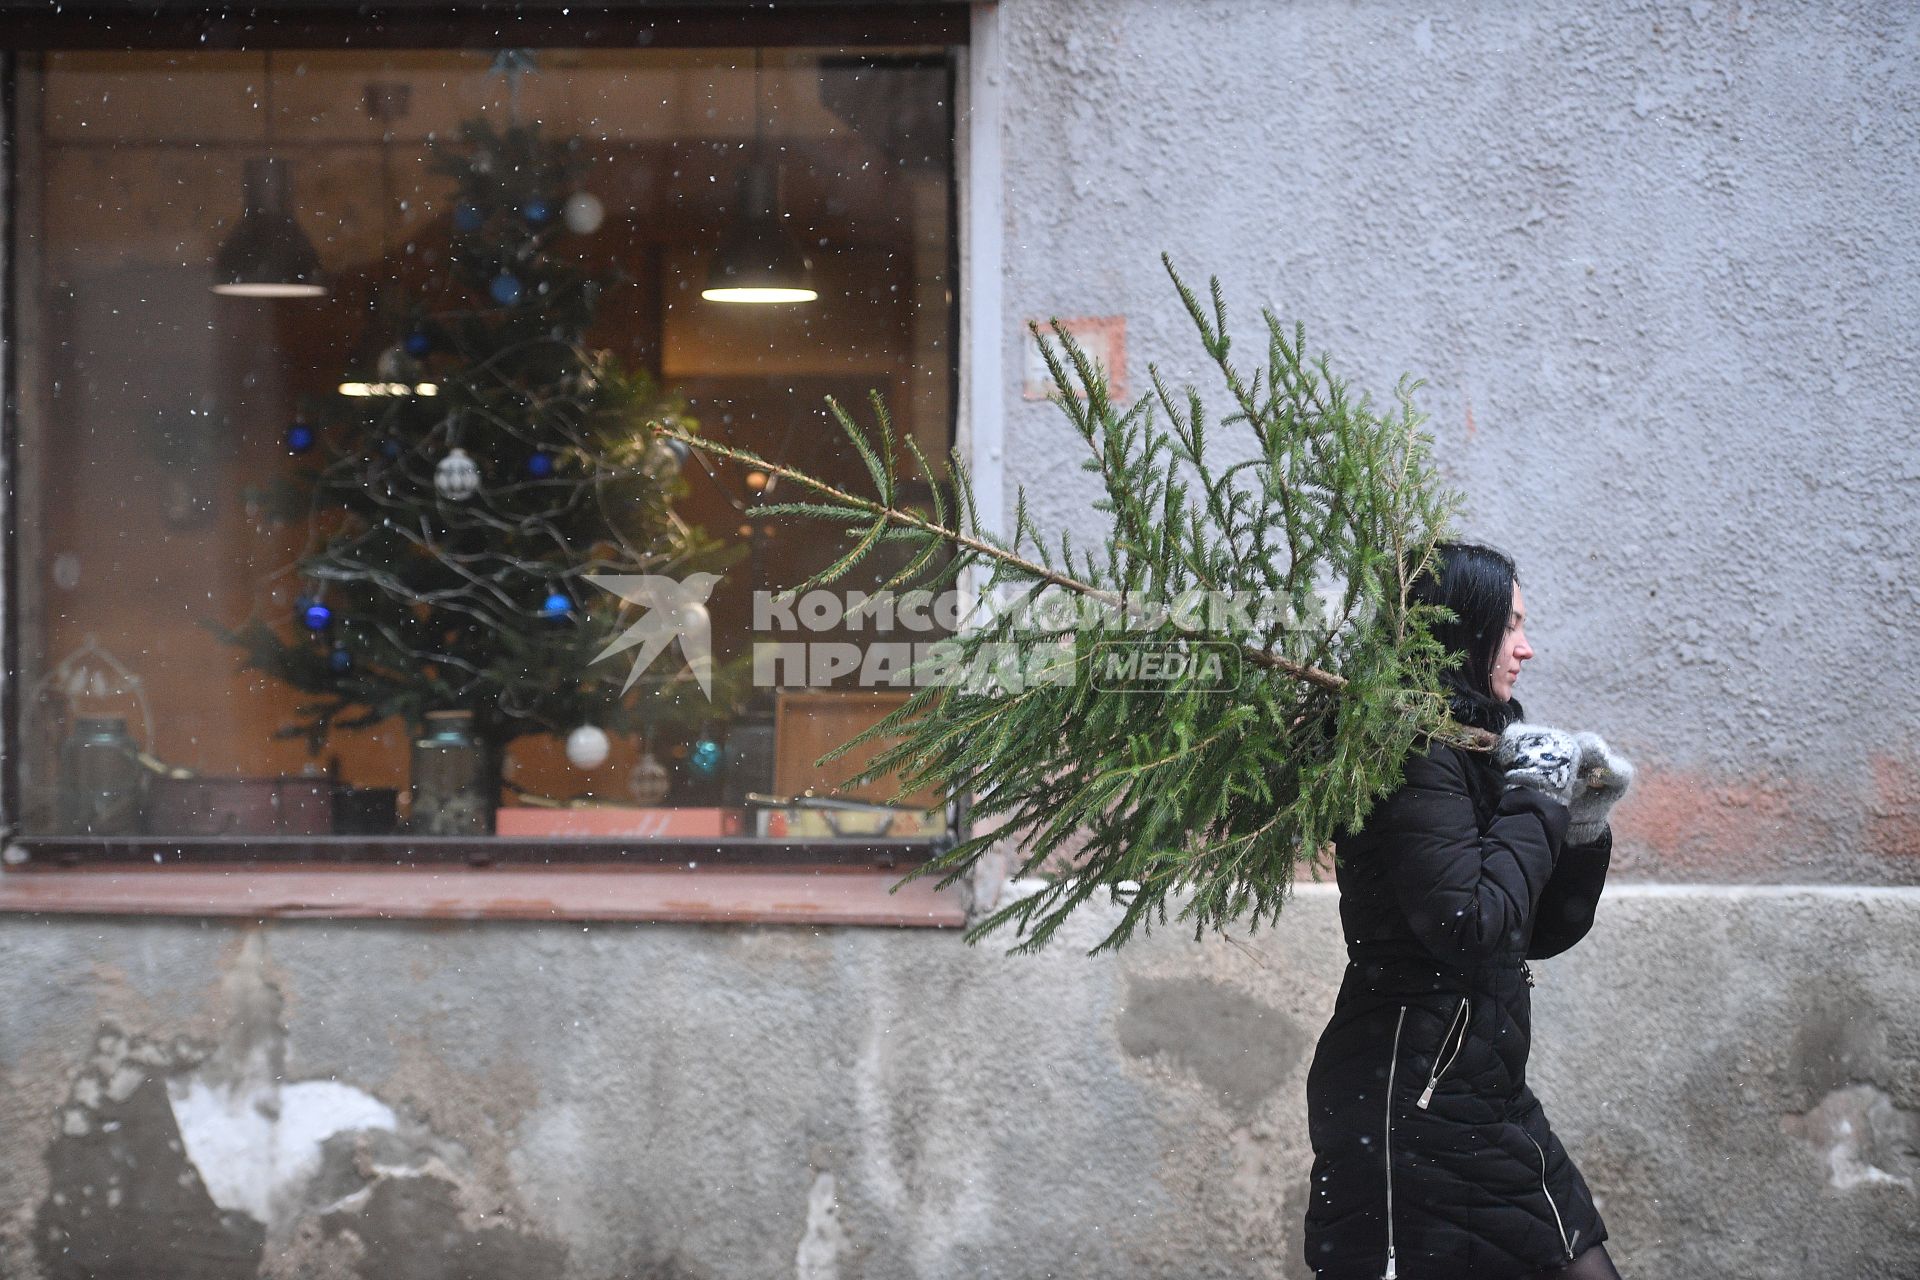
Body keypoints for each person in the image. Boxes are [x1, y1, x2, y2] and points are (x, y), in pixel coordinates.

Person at [1302, 542, 1634, 1280]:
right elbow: (1469, 925)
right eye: (1510, 624)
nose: (1526, 647)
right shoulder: (1409, 750)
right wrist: (1537, 793)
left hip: (1480, 1087)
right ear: (1463, 630)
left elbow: (1534, 932)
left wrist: (1578, 825)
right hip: (1413, 1098)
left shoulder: (1470, 746)